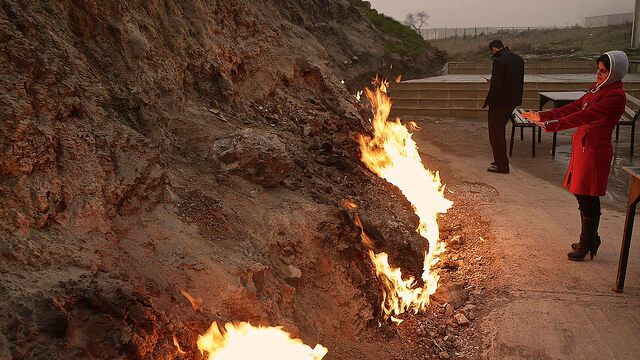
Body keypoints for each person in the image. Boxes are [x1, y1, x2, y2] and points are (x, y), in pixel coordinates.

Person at [523, 51, 628, 261]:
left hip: (595, 150)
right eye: (598, 69)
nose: (598, 74)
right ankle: (591, 238)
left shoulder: (615, 95)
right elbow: (575, 107)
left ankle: (587, 241)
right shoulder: (598, 87)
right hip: (584, 146)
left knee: (588, 194)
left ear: (614, 73)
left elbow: (585, 115)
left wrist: (550, 125)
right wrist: (543, 115)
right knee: (582, 193)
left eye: (603, 71)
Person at [483, 40, 525, 174]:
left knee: (496, 135)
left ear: (494, 49)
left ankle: (502, 165)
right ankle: (499, 160)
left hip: (499, 103)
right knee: (499, 133)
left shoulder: (499, 61)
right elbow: (513, 80)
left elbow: (498, 85)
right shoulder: (518, 59)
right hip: (511, 102)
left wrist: (491, 102)